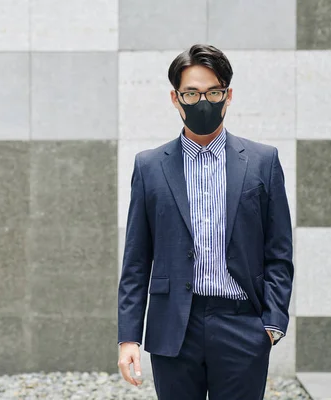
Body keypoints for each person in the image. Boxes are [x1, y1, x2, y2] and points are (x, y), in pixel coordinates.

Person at [117, 44, 294, 400]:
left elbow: (279, 251)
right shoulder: (150, 167)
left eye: (213, 92)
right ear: (175, 98)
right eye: (191, 93)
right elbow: (137, 260)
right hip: (174, 327)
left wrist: (271, 324)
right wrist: (128, 337)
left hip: (241, 325)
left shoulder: (262, 162)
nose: (203, 101)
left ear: (227, 97)